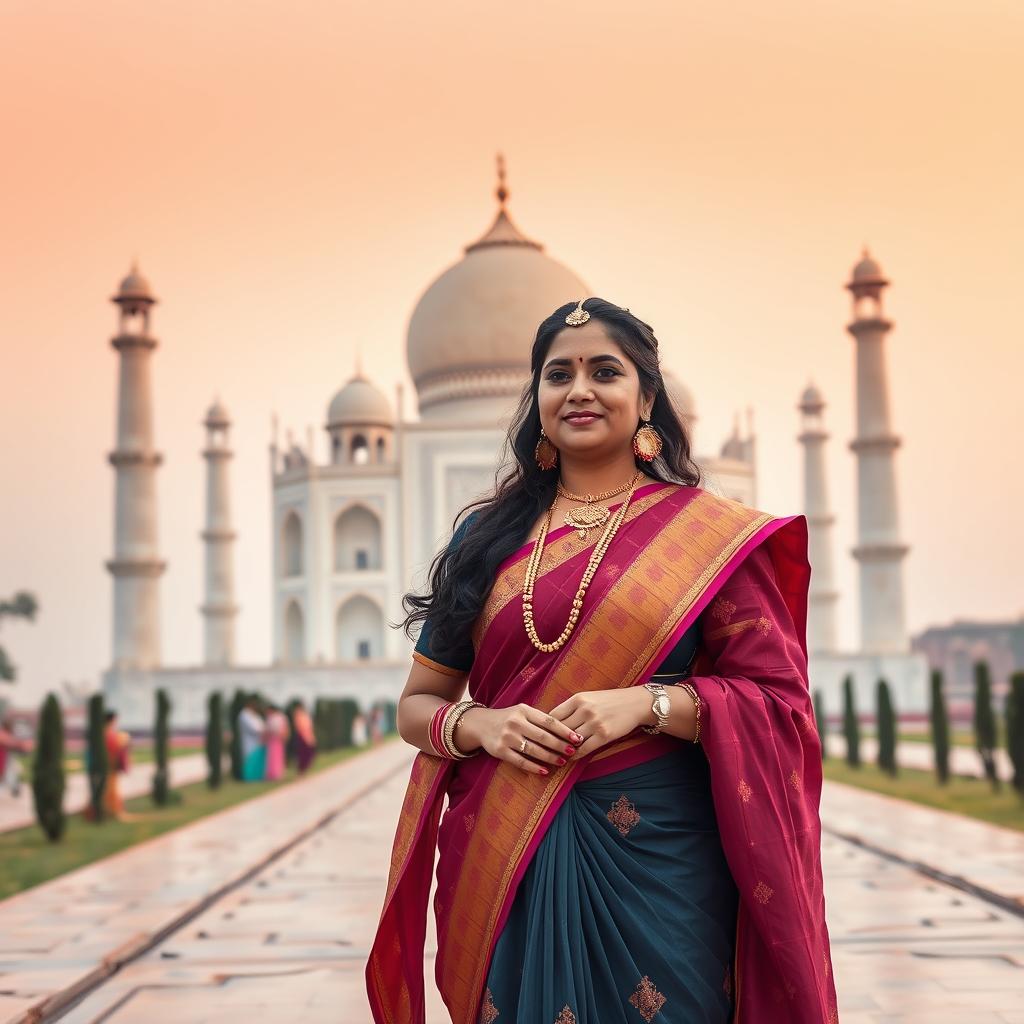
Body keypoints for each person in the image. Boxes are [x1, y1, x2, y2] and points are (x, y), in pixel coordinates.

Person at [366, 298, 837, 1023]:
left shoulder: (706, 539)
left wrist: (646, 704)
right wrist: (482, 727)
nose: (579, 389)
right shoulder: (486, 543)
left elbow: (777, 702)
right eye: (559, 374)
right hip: (505, 853)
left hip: (661, 861)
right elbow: (416, 705)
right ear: (538, 402)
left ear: (646, 397)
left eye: (604, 371)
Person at [102, 710, 131, 819]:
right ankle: (112, 810)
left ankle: (112, 809)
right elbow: (112, 746)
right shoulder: (108, 733)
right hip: (109, 766)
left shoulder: (108, 732)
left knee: (111, 789)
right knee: (110, 789)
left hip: (110, 766)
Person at [238, 697, 266, 781]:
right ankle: (249, 778)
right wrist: (263, 730)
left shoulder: (253, 715)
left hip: (258, 741)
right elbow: (254, 728)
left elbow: (261, 725)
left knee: (257, 760)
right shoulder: (244, 715)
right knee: (250, 760)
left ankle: (257, 776)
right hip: (250, 742)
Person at [263, 703, 290, 781]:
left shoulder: (274, 718)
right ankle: (275, 773)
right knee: (275, 757)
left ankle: (275, 774)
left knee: (274, 757)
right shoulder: (280, 717)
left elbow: (271, 728)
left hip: (275, 739)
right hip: (277, 739)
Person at [291, 700, 317, 775]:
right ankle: (301, 770)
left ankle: (305, 769)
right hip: (301, 735)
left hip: (308, 735)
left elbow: (309, 725)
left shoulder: (305, 714)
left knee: (308, 753)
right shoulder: (298, 714)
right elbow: (299, 726)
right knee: (302, 754)